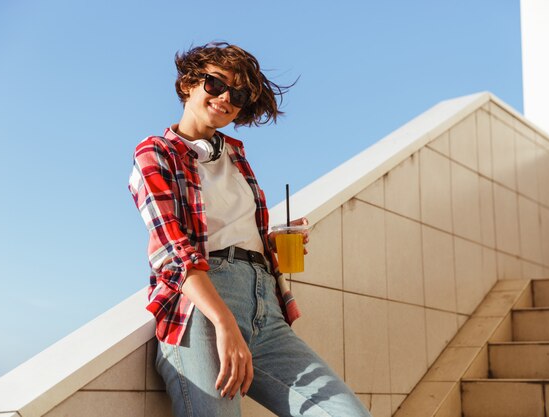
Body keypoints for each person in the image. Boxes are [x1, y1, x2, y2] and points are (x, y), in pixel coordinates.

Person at [128, 42, 371, 417]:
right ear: (188, 85)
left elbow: (226, 229)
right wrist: (224, 322)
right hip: (204, 308)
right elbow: (172, 251)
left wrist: (267, 243)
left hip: (266, 308)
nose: (226, 97)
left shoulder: (236, 155)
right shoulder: (156, 152)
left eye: (238, 94)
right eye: (215, 84)